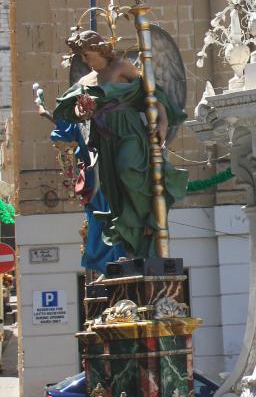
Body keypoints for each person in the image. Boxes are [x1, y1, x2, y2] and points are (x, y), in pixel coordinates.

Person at [53, 30, 187, 259]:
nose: (85, 61)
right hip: (104, 140)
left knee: (128, 168)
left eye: (87, 54)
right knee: (113, 191)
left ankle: (149, 218)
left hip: (128, 130)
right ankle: (133, 244)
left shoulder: (122, 67)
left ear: (99, 49)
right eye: (81, 57)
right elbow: (71, 109)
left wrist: (163, 121)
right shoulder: (85, 81)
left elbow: (151, 94)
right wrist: (81, 110)